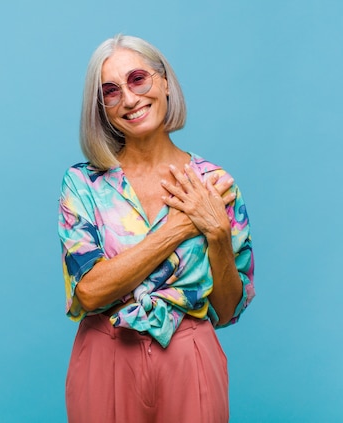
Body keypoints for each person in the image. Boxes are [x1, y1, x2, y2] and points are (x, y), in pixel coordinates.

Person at [57, 34, 255, 423]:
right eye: (110, 91)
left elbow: (228, 309)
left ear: (164, 82)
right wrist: (178, 228)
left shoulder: (215, 184)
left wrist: (216, 233)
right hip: (106, 355)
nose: (129, 100)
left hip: (189, 355)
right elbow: (92, 291)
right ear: (101, 108)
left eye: (138, 79)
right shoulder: (83, 185)